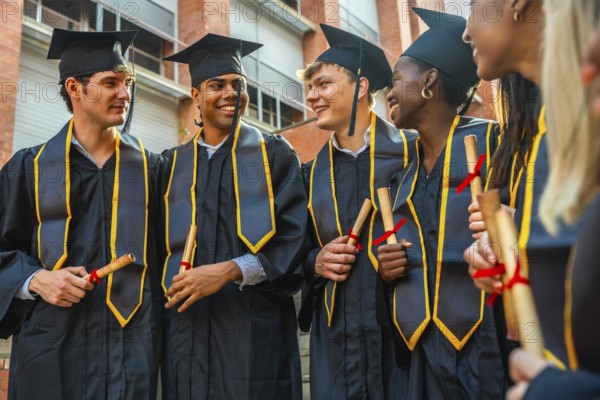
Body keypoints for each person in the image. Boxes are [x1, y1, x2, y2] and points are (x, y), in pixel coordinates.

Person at [0, 28, 162, 399]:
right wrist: (36, 279)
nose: (125, 94)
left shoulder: (153, 170)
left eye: (128, 82)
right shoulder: (30, 168)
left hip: (132, 354)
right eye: (111, 82)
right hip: (51, 354)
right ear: (74, 88)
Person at [160, 33, 307, 399]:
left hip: (253, 336)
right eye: (216, 85)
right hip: (186, 337)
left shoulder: (274, 154)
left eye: (237, 85)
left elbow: (295, 239)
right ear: (196, 96)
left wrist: (229, 270)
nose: (230, 93)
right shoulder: (171, 164)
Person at [377, 8, 506, 399]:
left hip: (489, 348)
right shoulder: (402, 177)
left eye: (398, 79)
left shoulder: (497, 145)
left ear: (429, 80)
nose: (390, 91)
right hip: (419, 354)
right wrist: (387, 269)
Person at [297, 24, 414, 399]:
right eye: (310, 87)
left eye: (324, 84)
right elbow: (291, 255)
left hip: (403, 341)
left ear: (361, 87)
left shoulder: (413, 155)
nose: (312, 97)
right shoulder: (310, 174)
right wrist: (317, 261)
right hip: (336, 346)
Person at [463, 0, 580, 370]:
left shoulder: (581, 113)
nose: (466, 31)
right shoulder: (550, 119)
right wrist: (515, 233)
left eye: (472, 5)